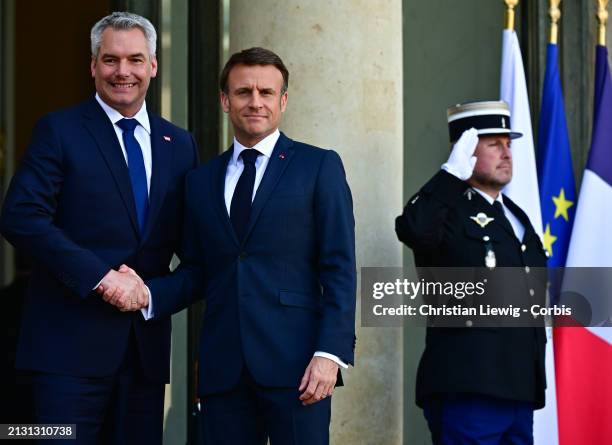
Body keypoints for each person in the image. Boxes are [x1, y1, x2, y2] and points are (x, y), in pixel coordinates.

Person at [117, 46, 356, 444]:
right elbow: (198, 270)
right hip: (223, 371)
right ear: (225, 100)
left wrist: (329, 355)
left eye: (266, 92)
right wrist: (147, 294)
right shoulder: (201, 180)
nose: (255, 102)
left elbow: (340, 268)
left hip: (299, 367)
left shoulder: (319, 166)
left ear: (283, 101)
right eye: (244, 92)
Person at [0, 12, 198, 444]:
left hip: (143, 356)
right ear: (93, 65)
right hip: (66, 356)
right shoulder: (59, 130)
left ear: (153, 66)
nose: (122, 72)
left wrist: (149, 295)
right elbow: (21, 216)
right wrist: (102, 278)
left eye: (134, 60)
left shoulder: (180, 145)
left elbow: (198, 255)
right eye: (110, 60)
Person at [395, 101, 547, 445]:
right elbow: (414, 229)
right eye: (494, 144)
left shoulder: (515, 217)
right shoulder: (448, 210)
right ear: (465, 149)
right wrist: (450, 174)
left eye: (509, 144)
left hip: (519, 388)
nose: (506, 153)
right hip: (469, 386)